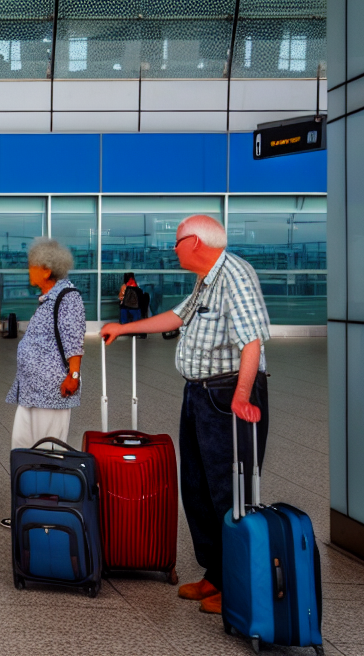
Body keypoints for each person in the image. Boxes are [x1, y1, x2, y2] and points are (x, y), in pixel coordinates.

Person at [99, 214, 270, 616]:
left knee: (230, 492)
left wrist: (242, 396)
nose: (172, 250)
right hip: (199, 394)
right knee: (196, 487)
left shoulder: (235, 276)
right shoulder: (206, 278)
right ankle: (216, 573)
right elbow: (178, 317)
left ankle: (239, 585)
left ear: (195, 242)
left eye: (176, 243)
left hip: (226, 394)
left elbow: (253, 341)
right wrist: (123, 330)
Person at [7, 238, 84, 450]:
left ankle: (45, 484)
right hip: (32, 391)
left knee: (48, 450)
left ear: (46, 271)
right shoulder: (48, 299)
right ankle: (27, 483)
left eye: (32, 266)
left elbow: (73, 340)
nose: (28, 271)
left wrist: (74, 376)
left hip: (52, 392)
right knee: (23, 448)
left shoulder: (67, 298)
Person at [116, 271, 145, 338]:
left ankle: (125, 332)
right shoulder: (137, 285)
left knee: (124, 320)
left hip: (125, 307)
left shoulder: (124, 286)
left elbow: (120, 297)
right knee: (136, 321)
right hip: (136, 307)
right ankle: (136, 332)